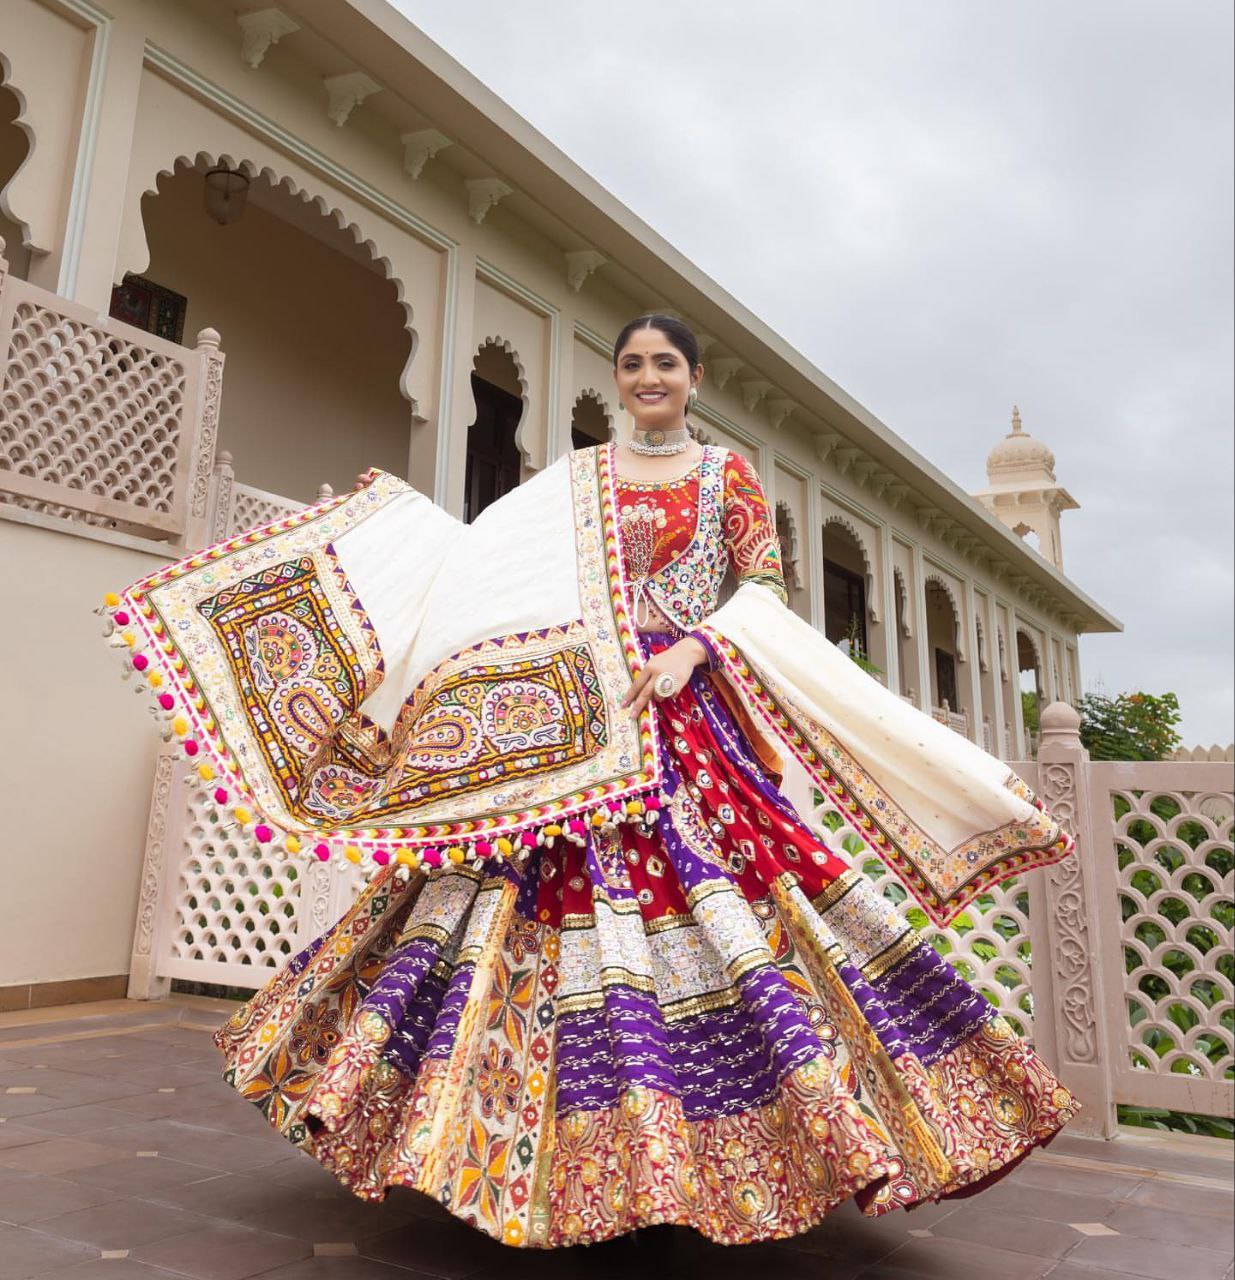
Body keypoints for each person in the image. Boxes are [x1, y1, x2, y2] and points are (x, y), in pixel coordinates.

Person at [101, 314, 1079, 1250]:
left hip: (689, 718)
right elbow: (488, 567)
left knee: (733, 900)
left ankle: (726, 1146)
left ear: (694, 380)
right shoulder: (577, 479)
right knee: (503, 897)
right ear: (618, 381)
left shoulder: (724, 475)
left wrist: (696, 648)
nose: (647, 378)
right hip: (571, 718)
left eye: (664, 363)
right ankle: (517, 1142)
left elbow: (765, 588)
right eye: (631, 364)